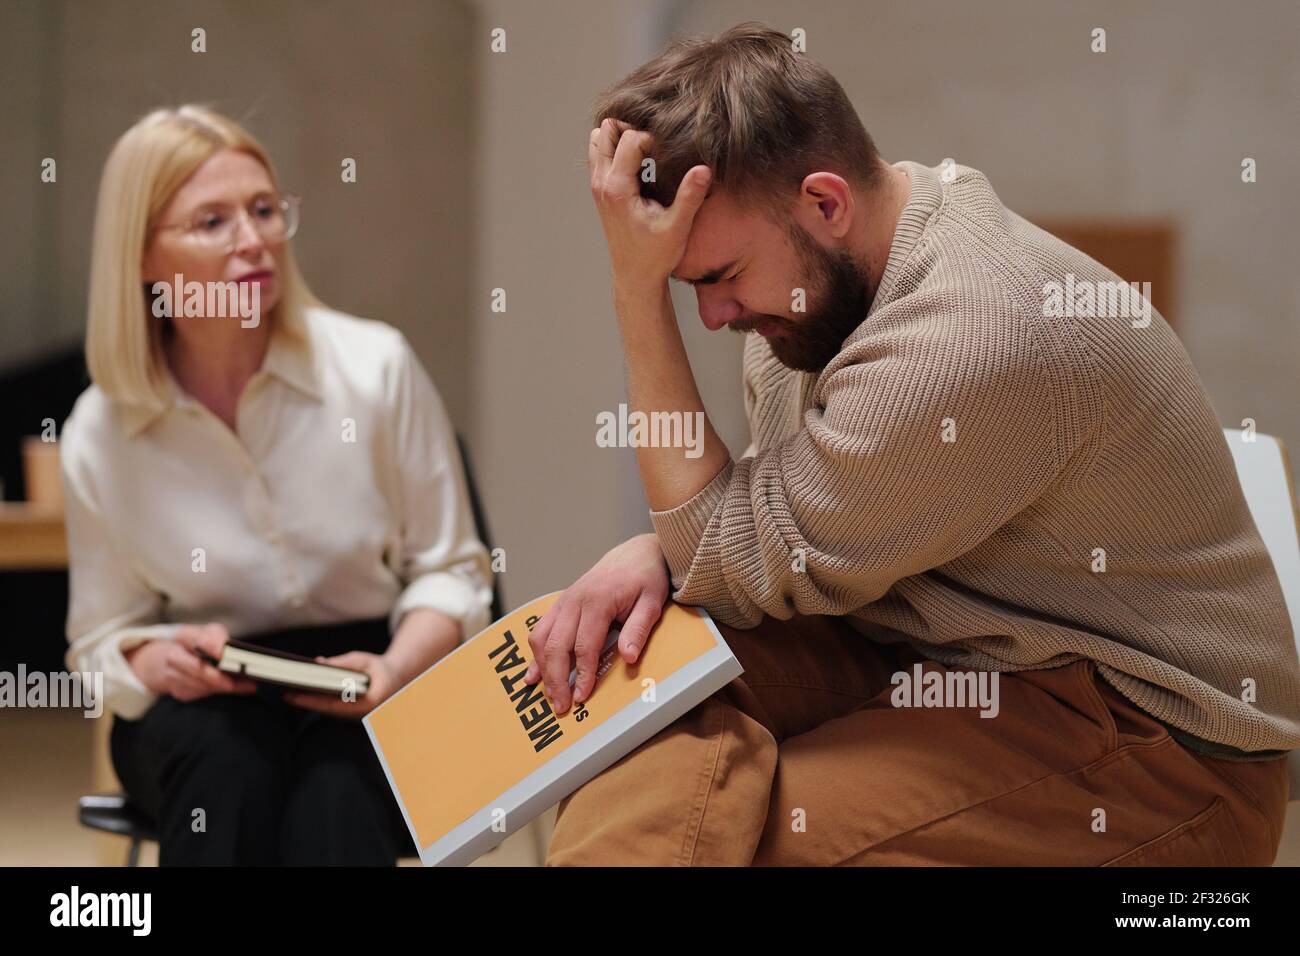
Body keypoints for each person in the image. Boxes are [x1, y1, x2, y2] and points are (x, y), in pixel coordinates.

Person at [530, 23, 1300, 865]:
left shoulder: (971, 334)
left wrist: (635, 292)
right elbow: (759, 529)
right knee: (623, 702)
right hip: (923, 640)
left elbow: (732, 557)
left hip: (1153, 741)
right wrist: (664, 551)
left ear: (825, 203)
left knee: (769, 841)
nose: (713, 317)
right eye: (685, 284)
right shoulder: (825, 286)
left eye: (717, 278)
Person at [61, 105, 494, 865]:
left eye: (264, 211)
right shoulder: (100, 432)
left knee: (335, 790)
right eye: (212, 221)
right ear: (142, 259)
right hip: (204, 699)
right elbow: (99, 637)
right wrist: (145, 659)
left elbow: (453, 573)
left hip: (376, 671)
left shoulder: (375, 369)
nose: (253, 241)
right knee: (232, 764)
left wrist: (391, 671)